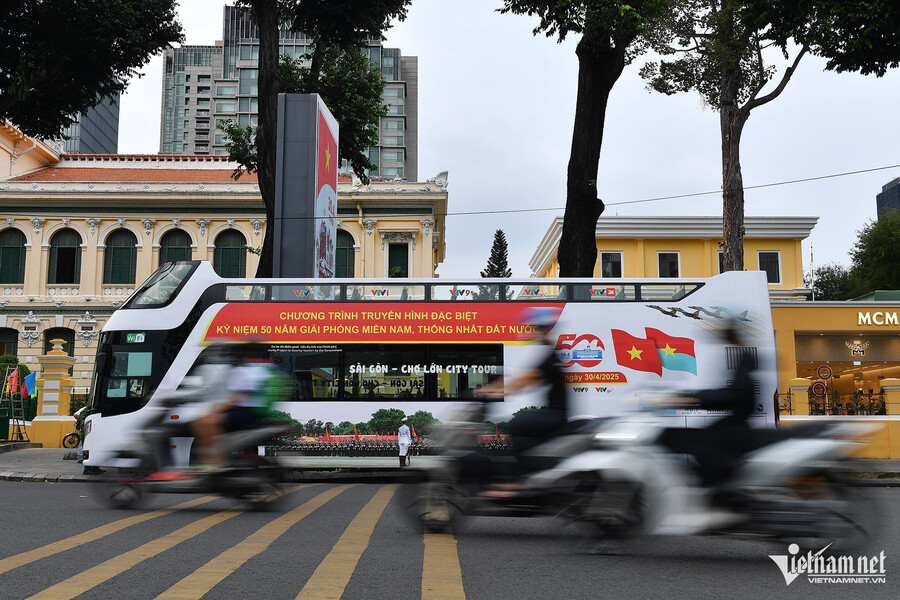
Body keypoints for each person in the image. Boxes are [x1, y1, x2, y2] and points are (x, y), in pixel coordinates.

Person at [660, 322, 757, 490]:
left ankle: (711, 492)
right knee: (682, 437)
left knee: (678, 439)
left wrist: (694, 399)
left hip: (736, 428)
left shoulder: (745, 359)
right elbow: (728, 392)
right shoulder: (743, 357)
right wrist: (693, 398)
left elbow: (734, 394)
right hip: (734, 424)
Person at [480, 306, 568, 473]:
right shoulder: (549, 354)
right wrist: (496, 386)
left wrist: (499, 391)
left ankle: (524, 474)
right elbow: (524, 375)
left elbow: (526, 380)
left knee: (517, 424)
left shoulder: (551, 356)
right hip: (555, 413)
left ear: (543, 330)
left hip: (556, 415)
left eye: (535, 328)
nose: (533, 332)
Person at [190, 345, 282, 470]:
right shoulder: (269, 368)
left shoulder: (249, 370)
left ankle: (214, 461)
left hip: (248, 412)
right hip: (256, 412)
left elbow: (238, 397)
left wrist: (214, 410)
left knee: (203, 422)